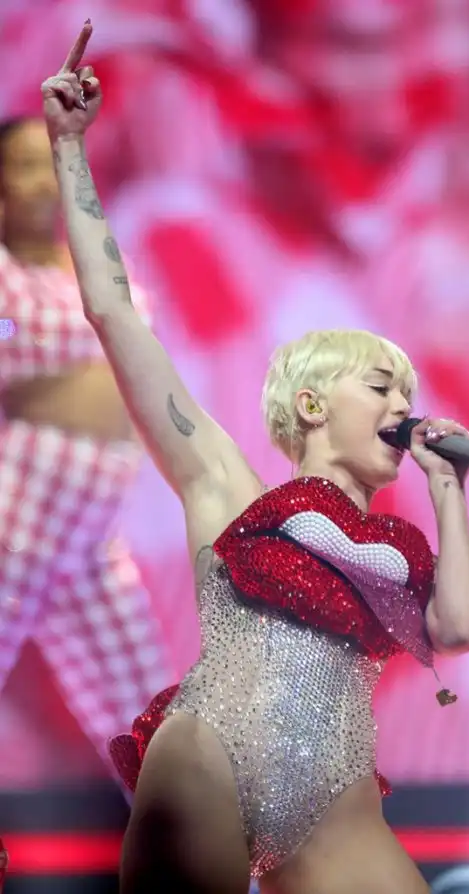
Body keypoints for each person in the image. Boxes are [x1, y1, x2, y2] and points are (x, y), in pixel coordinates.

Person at [42, 22, 469, 894]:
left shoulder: (398, 560)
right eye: (381, 386)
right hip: (212, 757)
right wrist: (69, 148)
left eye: (407, 391)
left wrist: (449, 486)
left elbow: (463, 630)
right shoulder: (231, 491)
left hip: (336, 803)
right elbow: (114, 312)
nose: (403, 406)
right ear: (313, 405)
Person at [0, 111, 172, 782]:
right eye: (23, 166)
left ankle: (190, 839)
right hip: (16, 523)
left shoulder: (95, 265)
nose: (43, 181)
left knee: (148, 717)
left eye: (51, 163)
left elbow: (141, 355)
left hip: (89, 534)